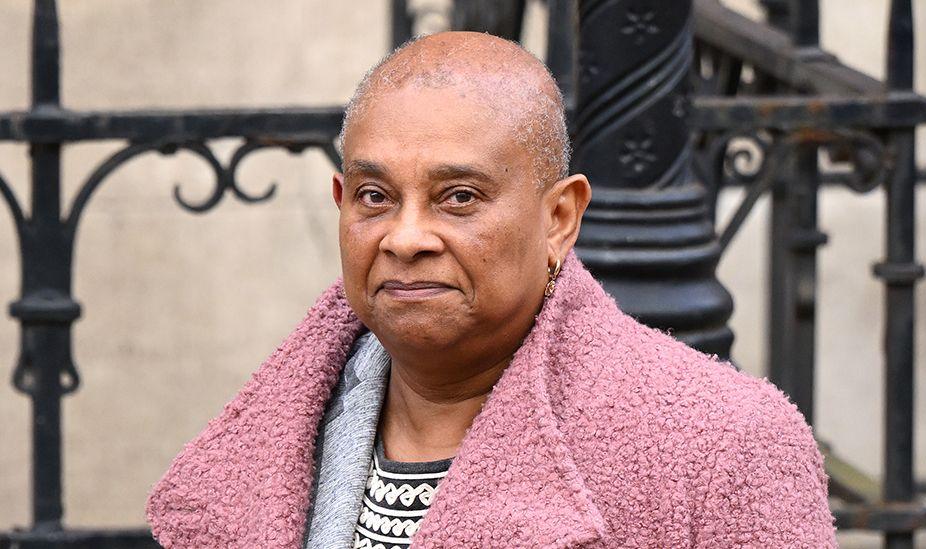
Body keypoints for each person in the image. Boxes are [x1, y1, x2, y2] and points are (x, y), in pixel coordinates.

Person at [146, 32, 836, 548]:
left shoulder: (722, 446)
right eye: (375, 195)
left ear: (559, 218)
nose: (405, 236)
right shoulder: (272, 447)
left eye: (459, 197)